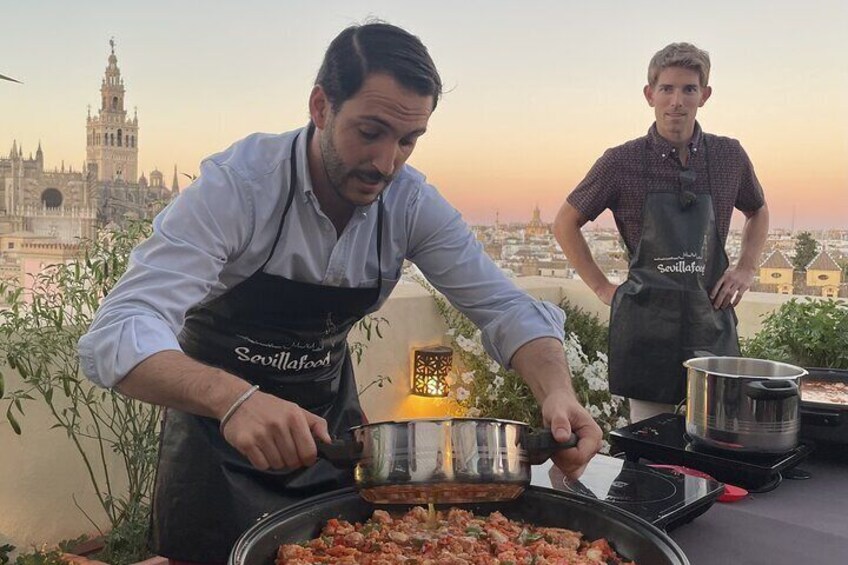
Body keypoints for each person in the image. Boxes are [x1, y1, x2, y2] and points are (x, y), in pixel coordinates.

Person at [78, 22, 602, 564]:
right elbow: (117, 334)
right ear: (321, 106)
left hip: (333, 441)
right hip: (215, 449)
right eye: (370, 132)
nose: (386, 163)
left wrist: (557, 392)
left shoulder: (411, 202)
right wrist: (233, 399)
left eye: (407, 140)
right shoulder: (239, 187)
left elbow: (506, 307)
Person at [553, 42, 769, 423]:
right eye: (667, 89)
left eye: (688, 89)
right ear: (649, 94)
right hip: (646, 328)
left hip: (711, 319)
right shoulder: (621, 161)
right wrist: (603, 288)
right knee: (652, 446)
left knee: (716, 437)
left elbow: (758, 209)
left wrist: (747, 268)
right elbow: (565, 222)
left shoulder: (729, 156)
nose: (677, 101)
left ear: (705, 95)